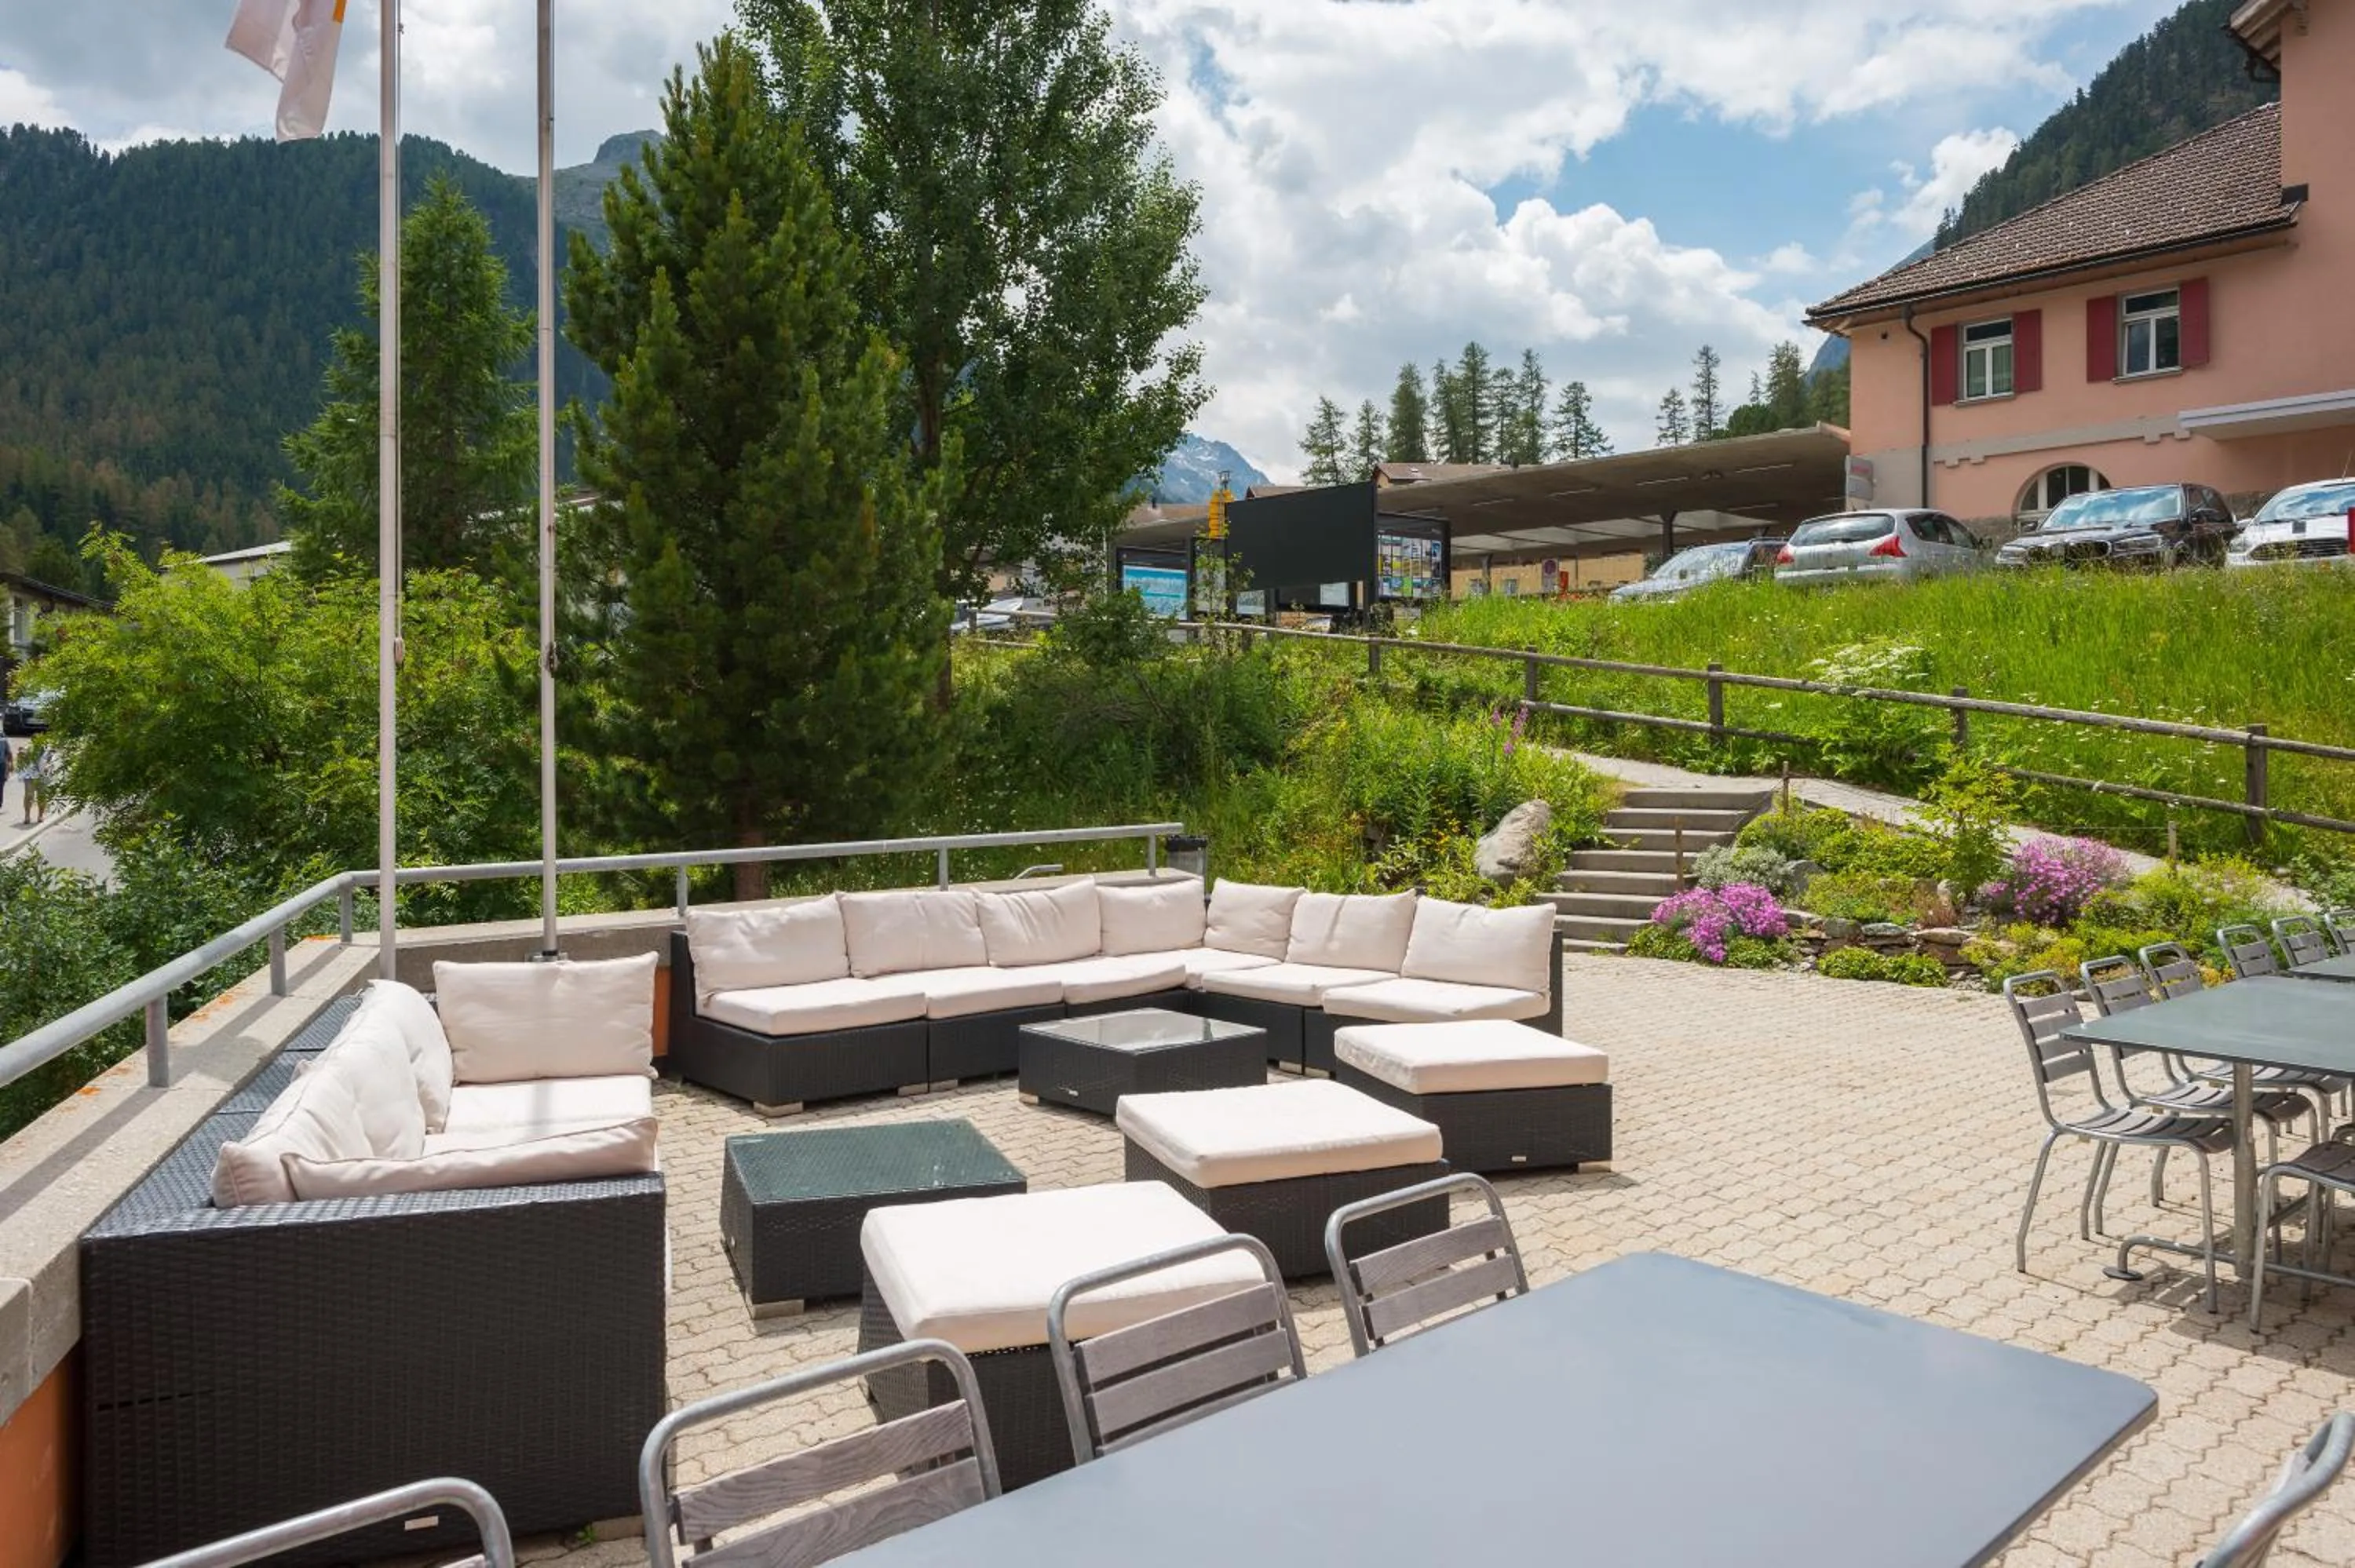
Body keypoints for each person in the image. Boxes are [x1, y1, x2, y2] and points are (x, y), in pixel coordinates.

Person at [18, 738, 46, 826]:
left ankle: (40, 815)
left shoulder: (47, 750)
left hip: (43, 776)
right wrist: (22, 753)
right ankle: (27, 816)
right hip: (30, 775)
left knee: (42, 795)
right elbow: (21, 753)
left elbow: (51, 761)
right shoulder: (29, 748)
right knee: (29, 795)